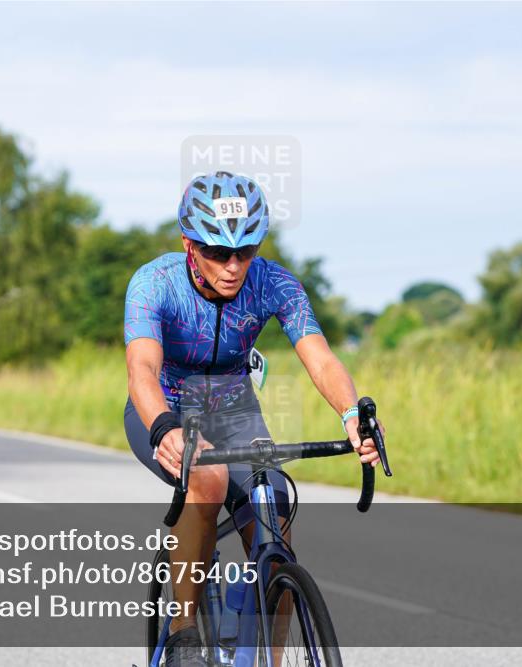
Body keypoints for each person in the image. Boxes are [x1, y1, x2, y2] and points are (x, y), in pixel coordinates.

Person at [124, 171, 384, 666]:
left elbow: (322, 359)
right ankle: (183, 638)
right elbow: (142, 370)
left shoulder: (274, 282)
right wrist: (164, 426)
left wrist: (352, 414)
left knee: (275, 506)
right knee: (208, 476)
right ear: (188, 243)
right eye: (218, 252)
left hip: (236, 411)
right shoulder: (154, 283)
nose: (233, 266)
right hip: (166, 407)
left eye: (246, 251)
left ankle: (270, 660)